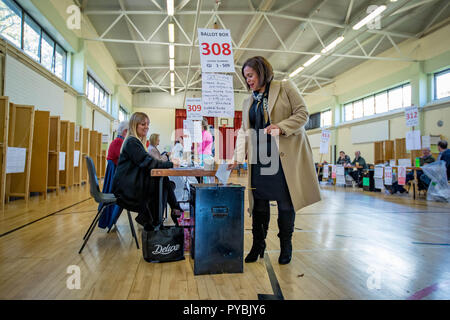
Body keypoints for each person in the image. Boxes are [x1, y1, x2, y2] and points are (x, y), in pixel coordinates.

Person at [229, 56, 321, 265]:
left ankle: (285, 245)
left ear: (262, 72)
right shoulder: (247, 101)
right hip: (259, 158)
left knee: (285, 204)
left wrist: (281, 126)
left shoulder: (285, 87)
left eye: (250, 75)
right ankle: (258, 244)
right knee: (259, 204)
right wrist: (236, 157)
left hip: (283, 157)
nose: (248, 80)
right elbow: (245, 131)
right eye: (246, 77)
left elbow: (303, 114)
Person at [112, 112, 180, 229]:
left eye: (148, 124)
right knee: (162, 184)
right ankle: (160, 218)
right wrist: (170, 164)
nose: (146, 127)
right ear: (134, 125)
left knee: (163, 182)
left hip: (132, 183)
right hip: (126, 189)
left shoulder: (134, 142)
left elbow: (148, 162)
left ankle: (155, 220)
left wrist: (168, 164)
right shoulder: (132, 142)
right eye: (143, 124)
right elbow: (148, 162)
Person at [98, 121, 128, 229]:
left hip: (114, 173)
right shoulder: (119, 142)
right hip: (114, 176)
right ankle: (110, 220)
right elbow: (124, 159)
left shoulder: (118, 141)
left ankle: (112, 220)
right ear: (125, 131)